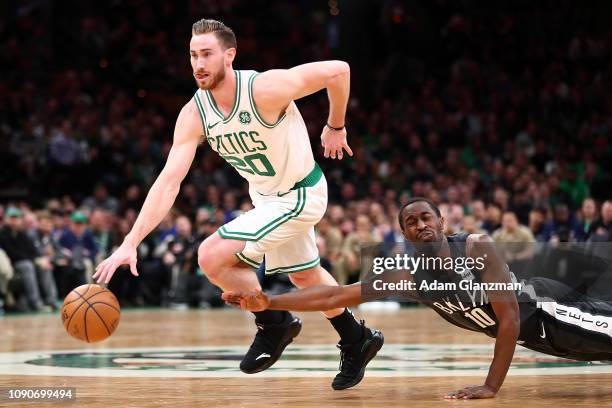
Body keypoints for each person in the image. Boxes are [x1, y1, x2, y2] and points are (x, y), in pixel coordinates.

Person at [92, 18, 382, 390]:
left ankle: (274, 323)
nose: (198, 63)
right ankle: (357, 338)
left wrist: (336, 125)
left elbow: (339, 70)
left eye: (207, 54)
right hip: (265, 197)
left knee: (211, 255)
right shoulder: (194, 113)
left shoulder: (263, 88)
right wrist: (129, 242)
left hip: (301, 193)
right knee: (305, 275)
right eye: (193, 55)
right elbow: (169, 181)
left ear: (229, 55)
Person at [223, 197, 612, 399]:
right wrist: (268, 303)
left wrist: (491, 386)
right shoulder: (407, 276)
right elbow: (336, 293)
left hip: (550, 311)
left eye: (427, 217)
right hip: (539, 336)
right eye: (412, 222)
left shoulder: (477, 246)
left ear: (442, 223)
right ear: (404, 235)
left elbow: (508, 319)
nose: (421, 224)